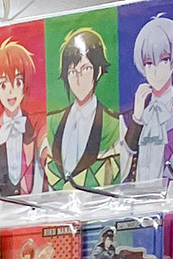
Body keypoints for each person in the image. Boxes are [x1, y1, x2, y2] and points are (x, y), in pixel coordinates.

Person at [47, 28, 124, 189]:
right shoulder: (53, 122)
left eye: (86, 69)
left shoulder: (113, 124)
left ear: (98, 71)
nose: (78, 78)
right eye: (72, 72)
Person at [126, 14, 173, 182]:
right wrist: (137, 119)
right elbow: (124, 164)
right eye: (149, 63)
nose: (155, 69)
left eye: (164, 60)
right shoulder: (134, 115)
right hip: (137, 195)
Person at [0, 39, 47, 197]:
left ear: (25, 86)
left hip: (36, 207)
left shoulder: (36, 124)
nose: (11, 91)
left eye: (18, 82)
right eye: (4, 85)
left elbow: (45, 146)